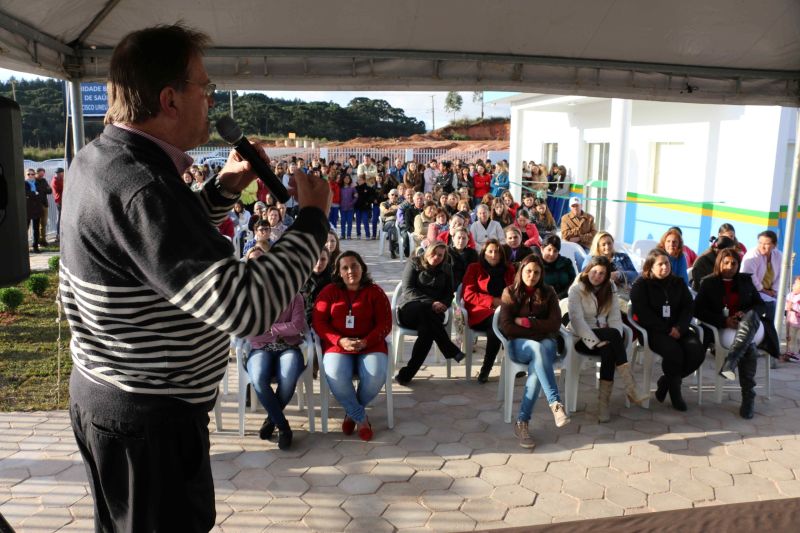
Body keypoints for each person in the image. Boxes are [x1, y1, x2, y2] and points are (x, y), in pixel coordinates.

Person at [61, 24, 330, 532]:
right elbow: (244, 306)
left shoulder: (105, 159)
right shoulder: (142, 185)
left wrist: (224, 188)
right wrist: (313, 222)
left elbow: (156, 250)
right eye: (203, 89)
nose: (210, 101)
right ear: (169, 99)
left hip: (119, 401)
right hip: (148, 420)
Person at [312, 251, 392, 441]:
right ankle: (361, 418)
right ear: (338, 272)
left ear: (362, 268)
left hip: (370, 344)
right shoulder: (329, 292)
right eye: (345, 267)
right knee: (335, 374)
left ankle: (351, 413)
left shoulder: (375, 292)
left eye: (354, 266)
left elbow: (385, 323)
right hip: (338, 345)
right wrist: (340, 340)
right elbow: (319, 322)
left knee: (375, 375)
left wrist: (366, 341)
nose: (350, 271)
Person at [694, 249, 780, 419]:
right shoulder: (708, 283)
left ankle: (730, 363)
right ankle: (748, 398)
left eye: (734, 263)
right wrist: (723, 321)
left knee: (750, 319)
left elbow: (760, 305)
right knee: (748, 346)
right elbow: (697, 310)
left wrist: (744, 313)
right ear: (719, 263)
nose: (730, 266)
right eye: (726, 262)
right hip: (726, 328)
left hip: (753, 326)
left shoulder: (745, 280)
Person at [499, 254, 570, 448]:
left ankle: (522, 422)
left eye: (537, 272)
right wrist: (539, 327)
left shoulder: (549, 293)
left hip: (545, 342)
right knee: (538, 349)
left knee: (537, 367)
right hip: (518, 345)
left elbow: (555, 324)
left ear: (541, 274)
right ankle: (555, 404)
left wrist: (528, 322)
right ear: (521, 271)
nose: (532, 275)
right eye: (528, 271)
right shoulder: (510, 292)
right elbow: (506, 327)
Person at [567, 256, 647, 422]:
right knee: (611, 337)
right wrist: (596, 341)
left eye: (602, 273)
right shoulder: (576, 289)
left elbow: (615, 318)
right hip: (582, 338)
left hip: (606, 335)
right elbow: (577, 320)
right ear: (588, 270)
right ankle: (630, 386)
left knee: (609, 349)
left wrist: (612, 337)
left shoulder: (610, 288)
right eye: (594, 271)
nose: (597, 276)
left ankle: (603, 406)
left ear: (606, 276)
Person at [630, 249, 705, 411]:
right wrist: (666, 329)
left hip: (678, 328)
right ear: (650, 267)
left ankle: (666, 381)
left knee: (697, 349)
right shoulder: (641, 285)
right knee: (674, 351)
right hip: (653, 331)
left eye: (667, 263)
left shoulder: (677, 282)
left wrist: (680, 327)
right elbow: (643, 313)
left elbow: (688, 307)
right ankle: (675, 393)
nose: (665, 267)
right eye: (660, 264)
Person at [245, 280, 307, 450]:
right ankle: (283, 426)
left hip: (289, 348)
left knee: (288, 378)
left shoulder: (295, 297)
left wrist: (271, 329)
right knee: (258, 379)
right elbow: (252, 332)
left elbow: (297, 326)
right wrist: (281, 329)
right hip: (259, 349)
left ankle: (271, 420)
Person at [395, 243, 465, 385]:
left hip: (434, 312)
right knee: (423, 310)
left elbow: (448, 293)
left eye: (440, 255)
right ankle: (449, 348)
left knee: (427, 331)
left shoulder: (446, 268)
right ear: (427, 252)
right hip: (410, 309)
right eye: (434, 253)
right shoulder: (414, 263)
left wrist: (444, 304)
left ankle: (406, 374)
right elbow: (408, 290)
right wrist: (431, 303)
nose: (436, 257)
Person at [463, 239, 516, 383]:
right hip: (481, 312)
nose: (493, 255)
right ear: (484, 253)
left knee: (501, 326)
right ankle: (494, 367)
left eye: (497, 252)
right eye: (490, 251)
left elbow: (514, 292)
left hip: (503, 312)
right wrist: (492, 301)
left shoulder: (509, 269)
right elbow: (468, 294)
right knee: (499, 325)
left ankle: (492, 367)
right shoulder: (474, 268)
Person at [741, 230, 782, 321]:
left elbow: (781, 274)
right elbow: (749, 276)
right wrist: (763, 290)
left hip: (771, 292)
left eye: (766, 244)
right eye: (760, 243)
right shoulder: (752, 255)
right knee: (771, 305)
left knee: (784, 304)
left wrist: (774, 291)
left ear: (774, 245)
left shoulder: (778, 255)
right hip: (753, 290)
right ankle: (769, 329)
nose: (762, 246)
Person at [583, 231, 639, 296]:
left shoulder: (623, 257)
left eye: (609, 243)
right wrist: (604, 276)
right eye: (603, 244)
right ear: (597, 246)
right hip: (598, 294)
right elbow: (583, 276)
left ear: (613, 243)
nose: (607, 247)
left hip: (621, 293)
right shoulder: (590, 258)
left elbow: (635, 275)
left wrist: (619, 275)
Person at [541, 235, 576, 299]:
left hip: (565, 299)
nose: (552, 254)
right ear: (542, 249)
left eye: (555, 251)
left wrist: (561, 296)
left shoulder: (566, 262)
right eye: (549, 249)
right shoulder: (536, 264)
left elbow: (574, 281)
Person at [24, 168, 44, 253]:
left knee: (36, 229)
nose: (31, 176)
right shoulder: (24, 183)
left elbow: (42, 192)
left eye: (32, 174)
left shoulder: (37, 182)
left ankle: (35, 247)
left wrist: (34, 194)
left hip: (37, 208)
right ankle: (25, 247)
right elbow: (26, 193)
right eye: (29, 174)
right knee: (25, 228)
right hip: (27, 209)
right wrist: (35, 193)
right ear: (26, 175)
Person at [379, 188, 401, 258]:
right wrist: (397, 209)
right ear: (389, 195)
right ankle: (394, 248)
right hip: (387, 223)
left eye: (396, 195)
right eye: (392, 194)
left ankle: (394, 248)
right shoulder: (383, 203)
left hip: (399, 223)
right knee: (392, 226)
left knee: (393, 229)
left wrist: (392, 209)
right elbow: (385, 212)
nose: (394, 196)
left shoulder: (401, 203)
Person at [34, 167, 52, 246]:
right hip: (36, 206)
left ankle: (43, 240)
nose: (42, 176)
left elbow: (50, 191)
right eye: (40, 174)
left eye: (43, 174)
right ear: (36, 173)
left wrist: (44, 189)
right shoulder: (33, 181)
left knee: (44, 224)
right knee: (36, 224)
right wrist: (44, 189)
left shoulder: (44, 180)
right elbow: (36, 191)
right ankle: (36, 241)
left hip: (44, 204)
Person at [784, 276, 800, 359]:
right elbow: (785, 306)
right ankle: (789, 352)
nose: (794, 285)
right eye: (794, 283)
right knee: (789, 337)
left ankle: (795, 354)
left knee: (796, 338)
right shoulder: (790, 295)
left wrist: (793, 307)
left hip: (797, 323)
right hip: (790, 320)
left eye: (797, 284)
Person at [339, 174, 356, 239]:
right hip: (342, 208)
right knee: (342, 221)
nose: (347, 179)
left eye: (348, 178)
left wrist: (352, 203)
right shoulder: (340, 188)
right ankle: (342, 235)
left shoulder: (352, 188)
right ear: (343, 179)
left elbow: (356, 196)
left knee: (349, 222)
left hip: (350, 208)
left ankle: (349, 235)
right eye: (345, 178)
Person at [50, 167, 65, 241]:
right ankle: (58, 234)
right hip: (59, 201)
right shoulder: (55, 180)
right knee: (60, 217)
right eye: (60, 173)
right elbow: (63, 188)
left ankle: (61, 233)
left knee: (62, 217)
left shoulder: (61, 179)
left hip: (63, 200)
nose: (62, 174)